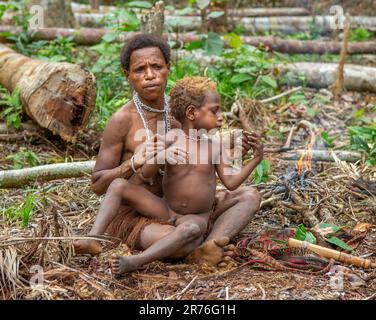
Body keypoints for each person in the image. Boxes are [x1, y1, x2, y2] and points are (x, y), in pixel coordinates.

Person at [73, 33, 262, 268]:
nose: (150, 75)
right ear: (128, 76)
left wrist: (234, 148)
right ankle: (191, 248)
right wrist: (133, 163)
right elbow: (98, 185)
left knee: (249, 196)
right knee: (179, 240)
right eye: (140, 70)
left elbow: (201, 157)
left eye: (156, 66)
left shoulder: (181, 113)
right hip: (139, 215)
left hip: (180, 207)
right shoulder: (122, 120)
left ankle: (208, 247)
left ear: (168, 69)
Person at [110, 76, 264, 275]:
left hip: (196, 218)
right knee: (184, 234)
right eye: (214, 111)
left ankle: (208, 248)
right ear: (191, 113)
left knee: (245, 198)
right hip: (166, 212)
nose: (221, 117)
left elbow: (231, 183)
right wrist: (161, 155)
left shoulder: (214, 146)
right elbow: (146, 175)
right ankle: (136, 261)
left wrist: (255, 160)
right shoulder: (172, 138)